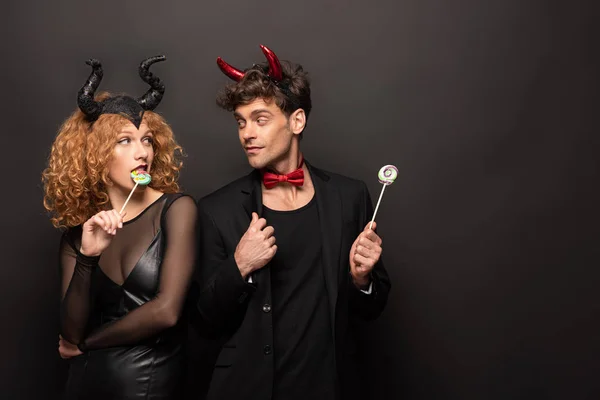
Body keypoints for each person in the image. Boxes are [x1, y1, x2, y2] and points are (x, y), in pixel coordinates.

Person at [192, 44, 391, 400]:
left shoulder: (350, 197)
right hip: (249, 388)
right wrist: (239, 266)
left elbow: (371, 311)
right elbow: (204, 321)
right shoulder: (217, 210)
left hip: (329, 386)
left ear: (296, 121)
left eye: (260, 119)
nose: (246, 133)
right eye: (241, 122)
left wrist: (363, 280)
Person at [42, 56, 197, 400]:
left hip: (149, 386)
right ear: (95, 153)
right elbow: (70, 329)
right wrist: (88, 257)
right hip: (84, 386)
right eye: (125, 141)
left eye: (146, 140)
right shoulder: (78, 236)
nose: (142, 152)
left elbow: (167, 311)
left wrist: (87, 344)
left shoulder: (176, 209)